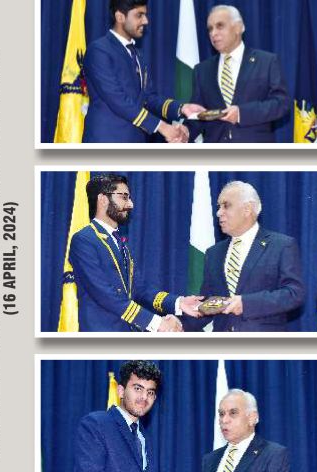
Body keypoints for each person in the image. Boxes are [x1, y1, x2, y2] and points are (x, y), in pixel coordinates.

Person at [68, 174, 200, 331]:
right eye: (124, 197)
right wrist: (156, 323)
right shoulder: (84, 240)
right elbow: (105, 294)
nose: (130, 204)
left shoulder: (118, 242)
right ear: (103, 199)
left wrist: (178, 302)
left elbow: (139, 289)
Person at [182, 181, 305, 331]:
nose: (219, 213)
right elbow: (209, 303)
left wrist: (246, 304)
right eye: (219, 207)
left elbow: (294, 294)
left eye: (226, 206)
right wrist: (179, 323)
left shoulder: (281, 246)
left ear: (247, 209)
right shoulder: (213, 253)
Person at [151, 389, 290, 472]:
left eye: (233, 413)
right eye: (221, 414)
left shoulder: (273, 454)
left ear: (252, 418)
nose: (224, 420)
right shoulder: (211, 459)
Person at [82, 0, 203, 143]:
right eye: (139, 15)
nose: (145, 21)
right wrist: (161, 126)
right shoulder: (99, 51)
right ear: (120, 17)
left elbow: (148, 98)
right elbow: (118, 100)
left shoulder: (138, 54)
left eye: (145, 15)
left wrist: (181, 108)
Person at [71, 360, 173, 472]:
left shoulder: (144, 437)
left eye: (150, 392)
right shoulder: (95, 424)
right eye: (138, 389)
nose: (144, 397)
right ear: (120, 391)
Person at [187, 5, 291, 143]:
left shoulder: (267, 62)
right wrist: (185, 132)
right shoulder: (201, 70)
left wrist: (242, 113)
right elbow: (199, 114)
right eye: (210, 29)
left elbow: (282, 104)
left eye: (220, 26)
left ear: (238, 27)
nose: (213, 33)